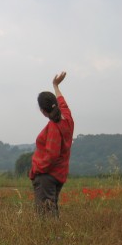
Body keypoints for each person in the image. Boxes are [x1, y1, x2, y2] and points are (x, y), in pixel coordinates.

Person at [29, 72, 74, 217]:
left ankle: (52, 239)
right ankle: (56, 238)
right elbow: (61, 100)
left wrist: (36, 170)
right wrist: (55, 85)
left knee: (46, 218)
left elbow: (52, 155)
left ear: (43, 111)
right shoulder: (66, 117)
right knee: (51, 212)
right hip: (59, 173)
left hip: (47, 176)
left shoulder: (54, 126)